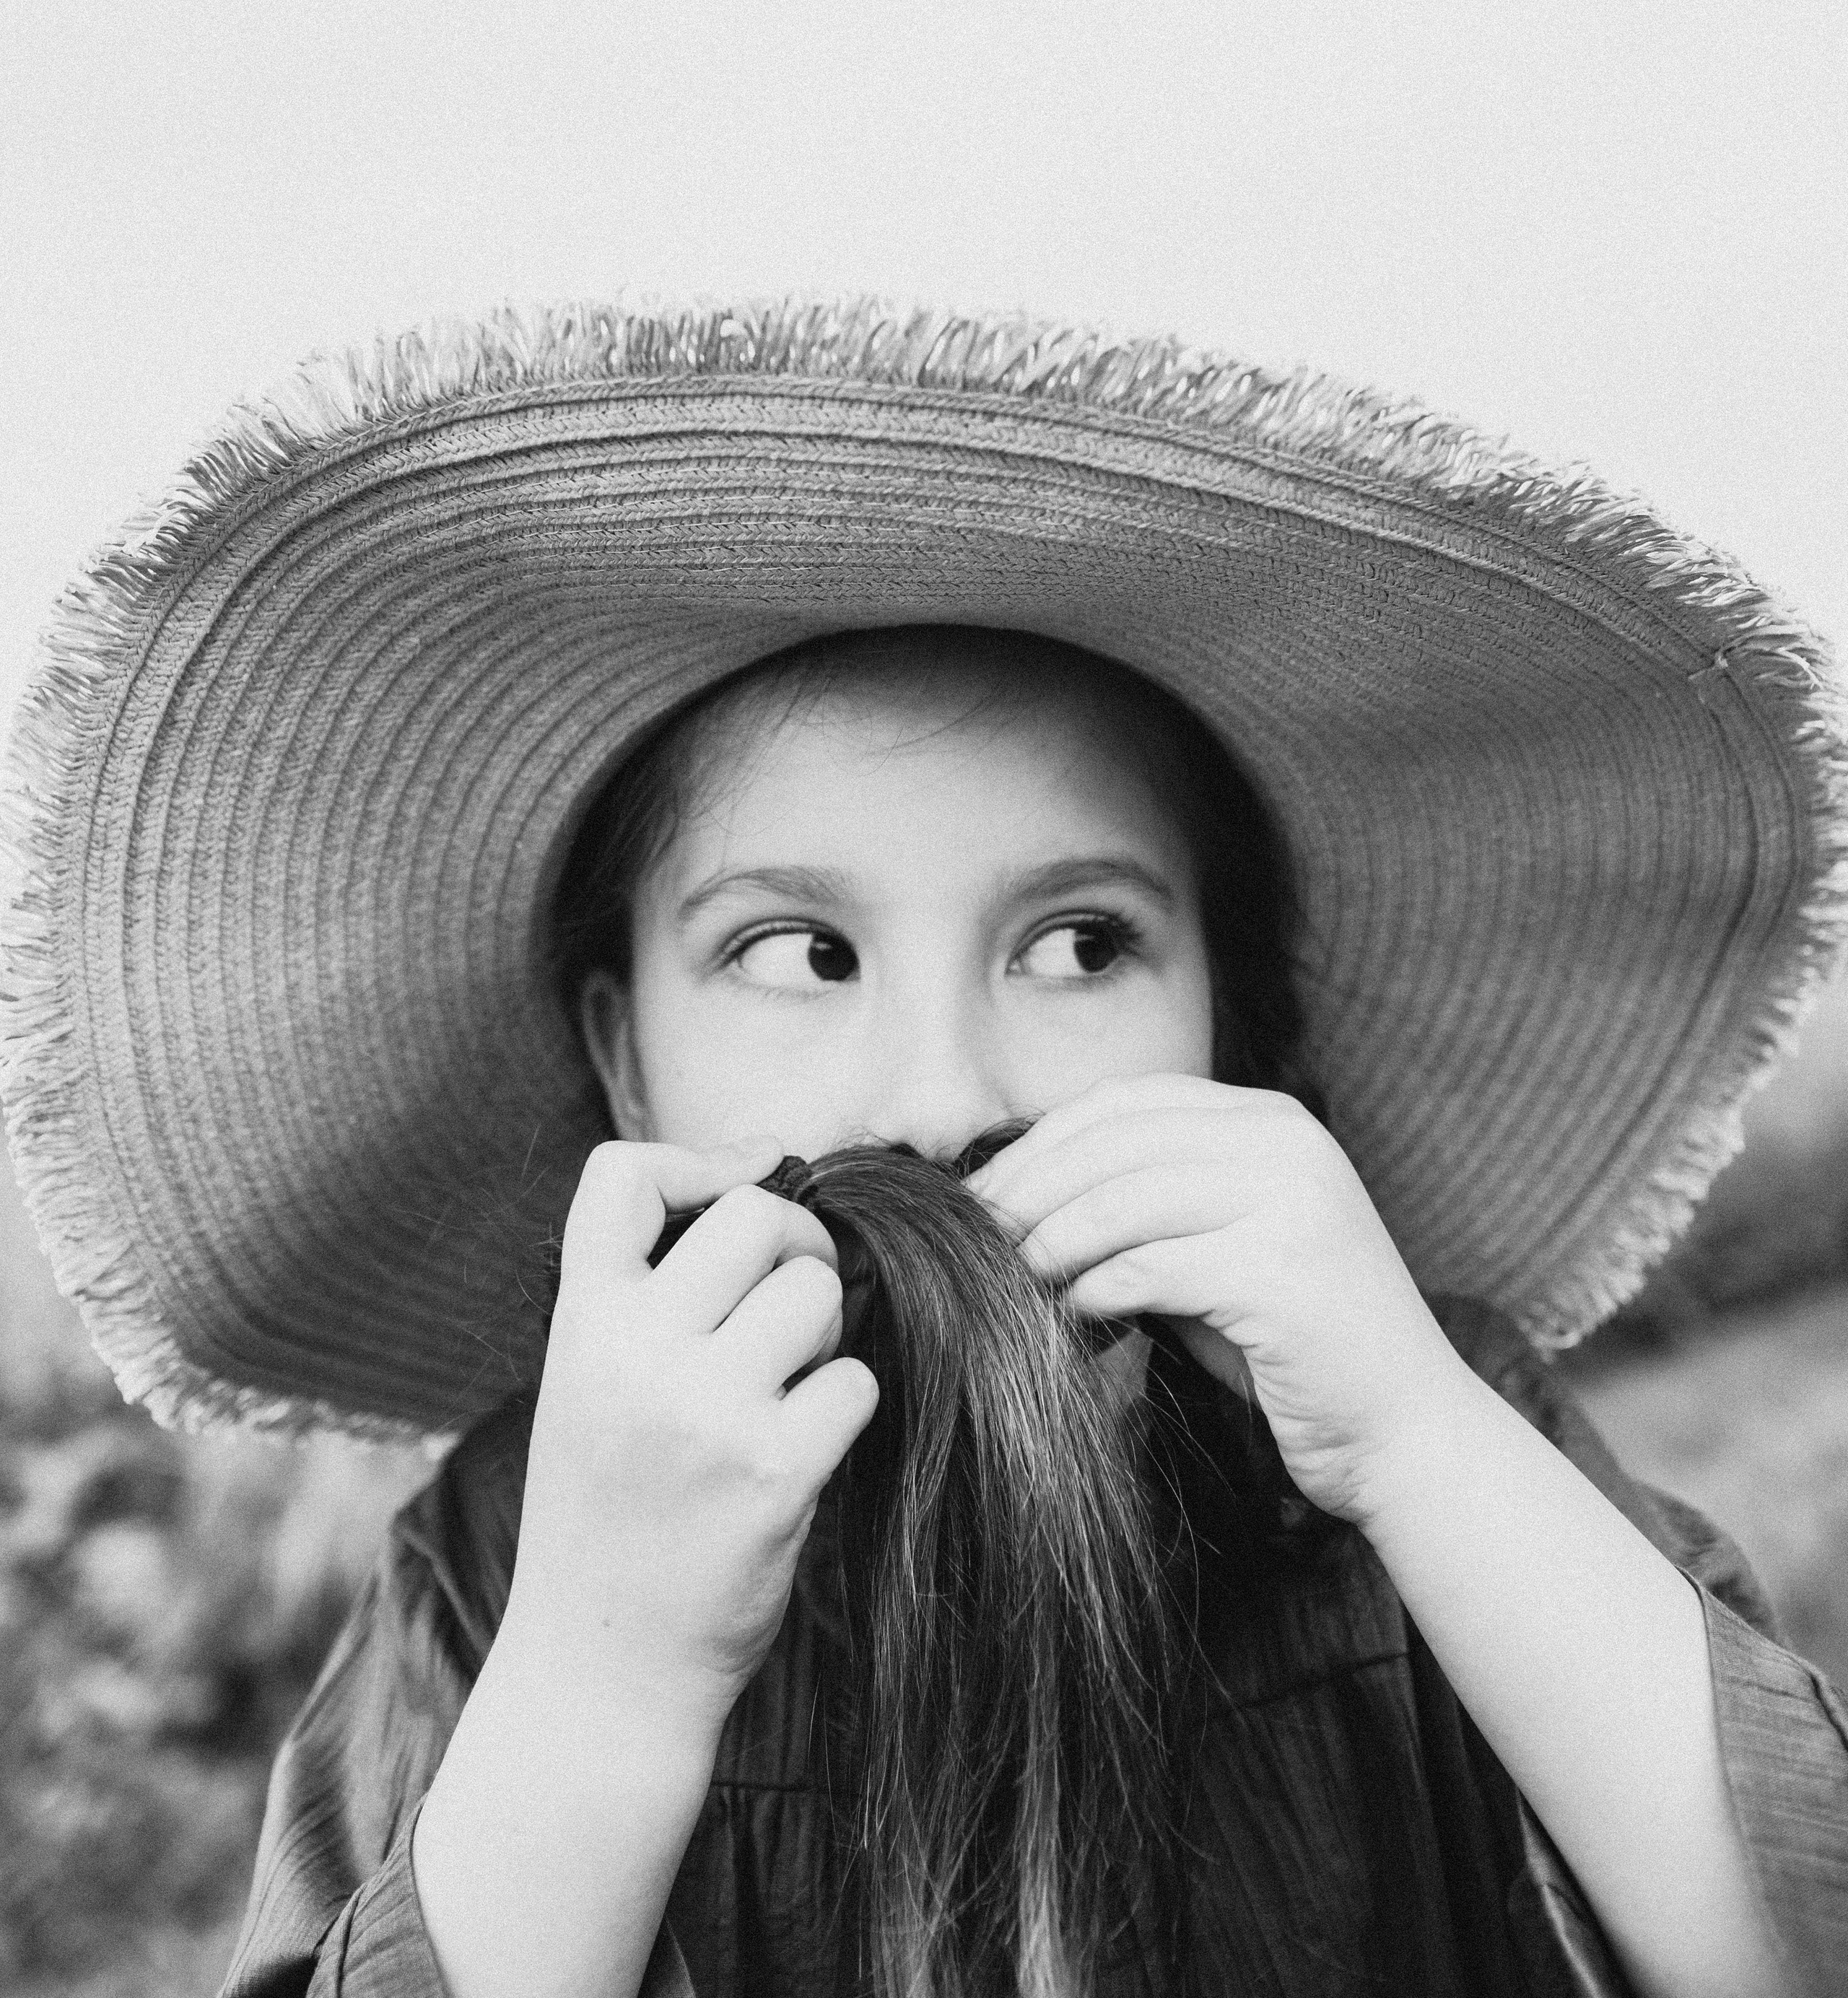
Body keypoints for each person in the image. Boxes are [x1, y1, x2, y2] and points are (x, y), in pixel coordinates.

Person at [3, 298, 1845, 1998]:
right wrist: (608, 1673)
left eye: (1082, 944)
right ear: (623, 1057)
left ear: (1227, 1024)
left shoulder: (1429, 1422)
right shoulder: (504, 1561)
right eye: (798, 953)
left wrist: (1413, 1444)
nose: (940, 1095)